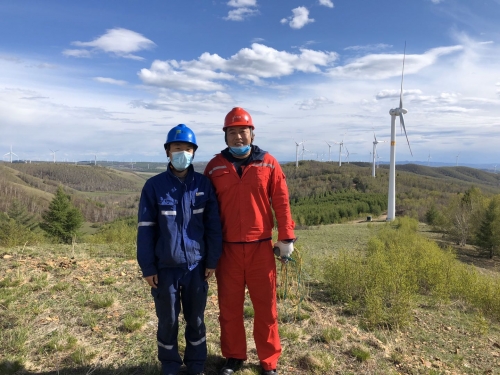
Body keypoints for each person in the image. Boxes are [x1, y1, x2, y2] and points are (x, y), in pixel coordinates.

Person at [204, 107, 296, 375]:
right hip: (227, 251)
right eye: (232, 132)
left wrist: (286, 236)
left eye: (242, 131)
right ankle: (234, 356)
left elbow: (281, 201)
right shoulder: (215, 166)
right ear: (226, 136)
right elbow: (207, 211)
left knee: (266, 309)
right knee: (229, 308)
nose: (238, 137)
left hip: (261, 249)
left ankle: (269, 361)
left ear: (252, 133)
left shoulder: (268, 163)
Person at [137, 124, 223, 375]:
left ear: (194, 152)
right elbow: (145, 229)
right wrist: (148, 267)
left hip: (196, 267)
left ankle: (197, 364)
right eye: (177, 148)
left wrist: (212, 260)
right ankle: (170, 364)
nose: (182, 153)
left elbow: (213, 226)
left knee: (196, 319)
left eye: (187, 149)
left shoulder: (204, 185)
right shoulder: (154, 186)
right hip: (165, 269)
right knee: (168, 320)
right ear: (167, 152)